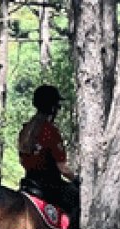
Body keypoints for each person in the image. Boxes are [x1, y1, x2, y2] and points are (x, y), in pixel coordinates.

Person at [17, 85, 79, 216]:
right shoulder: (50, 132)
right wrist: (77, 180)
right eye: (57, 106)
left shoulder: (26, 129)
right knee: (79, 201)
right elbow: (62, 168)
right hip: (50, 186)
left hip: (29, 181)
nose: (58, 109)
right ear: (52, 108)